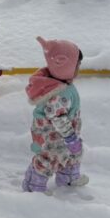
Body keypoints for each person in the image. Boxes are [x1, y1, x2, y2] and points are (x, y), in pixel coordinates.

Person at [22, 36, 88, 193]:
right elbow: (58, 118)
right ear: (64, 66)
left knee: (71, 154)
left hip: (60, 135)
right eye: (77, 65)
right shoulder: (60, 93)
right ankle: (35, 187)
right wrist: (70, 138)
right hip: (54, 136)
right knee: (49, 158)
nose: (78, 68)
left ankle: (68, 178)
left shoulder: (59, 84)